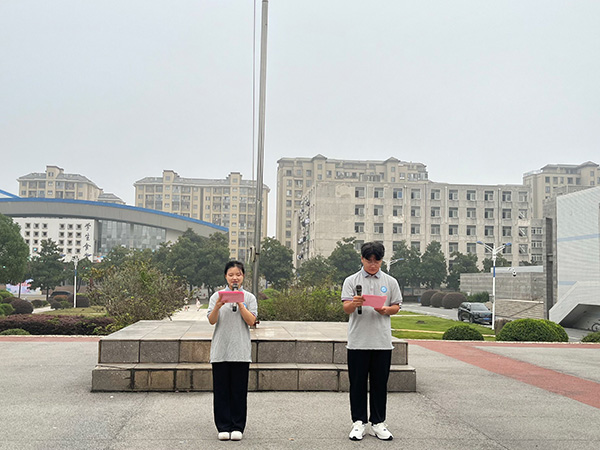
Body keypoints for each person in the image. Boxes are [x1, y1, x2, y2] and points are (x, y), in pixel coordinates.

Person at [342, 241, 402, 441]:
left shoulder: (390, 282)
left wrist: (385, 310)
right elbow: (346, 308)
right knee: (357, 384)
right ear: (362, 259)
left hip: (382, 342)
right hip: (358, 341)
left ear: (382, 261)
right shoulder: (351, 280)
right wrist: (354, 303)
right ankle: (358, 422)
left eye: (377, 261)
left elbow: (396, 307)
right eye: (369, 260)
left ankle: (378, 422)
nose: (373, 265)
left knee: (379, 384)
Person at [207, 260, 257, 441]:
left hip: (241, 351)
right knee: (221, 391)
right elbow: (212, 321)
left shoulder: (249, 297)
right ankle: (223, 425)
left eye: (238, 274)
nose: (235, 278)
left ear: (243, 276)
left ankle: (237, 426)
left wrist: (241, 304)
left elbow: (252, 321)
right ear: (226, 277)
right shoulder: (216, 297)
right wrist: (218, 306)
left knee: (238, 391)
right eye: (231, 275)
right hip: (221, 350)